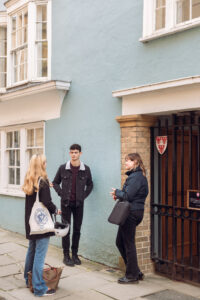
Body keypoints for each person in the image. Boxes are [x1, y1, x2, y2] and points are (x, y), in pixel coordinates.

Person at [23, 154, 61, 297]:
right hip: (41, 225)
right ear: (41, 165)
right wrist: (56, 210)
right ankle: (39, 288)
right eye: (44, 162)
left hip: (31, 224)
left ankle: (28, 280)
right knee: (39, 256)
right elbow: (46, 201)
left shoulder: (29, 180)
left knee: (31, 251)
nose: (46, 164)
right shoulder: (43, 182)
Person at [110, 153, 148, 284]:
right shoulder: (136, 176)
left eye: (128, 161)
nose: (125, 163)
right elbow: (129, 195)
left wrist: (117, 192)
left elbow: (128, 196)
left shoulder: (136, 177)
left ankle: (131, 275)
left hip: (131, 213)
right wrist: (118, 195)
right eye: (125, 161)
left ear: (136, 162)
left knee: (128, 244)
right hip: (132, 211)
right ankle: (135, 271)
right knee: (120, 242)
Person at [53, 144, 93, 266]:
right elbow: (55, 182)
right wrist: (61, 194)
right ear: (69, 153)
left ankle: (75, 255)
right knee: (66, 230)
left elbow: (90, 184)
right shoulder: (62, 168)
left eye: (76, 152)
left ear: (80, 153)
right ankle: (66, 255)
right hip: (66, 204)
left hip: (79, 204)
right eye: (71, 152)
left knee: (77, 229)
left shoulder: (86, 169)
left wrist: (83, 196)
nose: (73, 155)